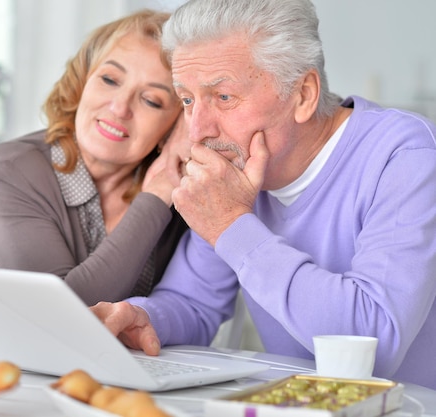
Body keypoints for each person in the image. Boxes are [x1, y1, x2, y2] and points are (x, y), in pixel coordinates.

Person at [91, 0, 436, 389]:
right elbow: (193, 302)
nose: (197, 131)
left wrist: (231, 225)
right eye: (187, 100)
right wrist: (144, 317)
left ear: (303, 94)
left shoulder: (405, 155)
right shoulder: (238, 168)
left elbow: (371, 346)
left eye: (223, 97)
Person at [0, 10, 188, 306]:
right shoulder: (11, 169)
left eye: (151, 100)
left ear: (178, 126)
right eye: (110, 79)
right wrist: (158, 193)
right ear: (82, 81)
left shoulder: (187, 191)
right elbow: (61, 310)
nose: (119, 107)